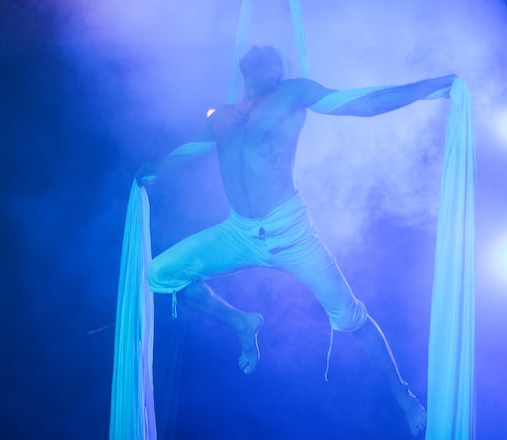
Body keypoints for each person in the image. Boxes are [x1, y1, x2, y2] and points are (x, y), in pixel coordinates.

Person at [136, 45, 456, 436]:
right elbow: (184, 153)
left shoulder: (293, 94)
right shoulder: (220, 117)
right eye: (255, 51)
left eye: (270, 53)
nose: (260, 51)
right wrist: (151, 173)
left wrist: (430, 87)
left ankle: (404, 396)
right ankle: (241, 323)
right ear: (244, 68)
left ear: (280, 69)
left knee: (350, 317)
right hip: (238, 231)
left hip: (290, 232)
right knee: (161, 273)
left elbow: (365, 103)